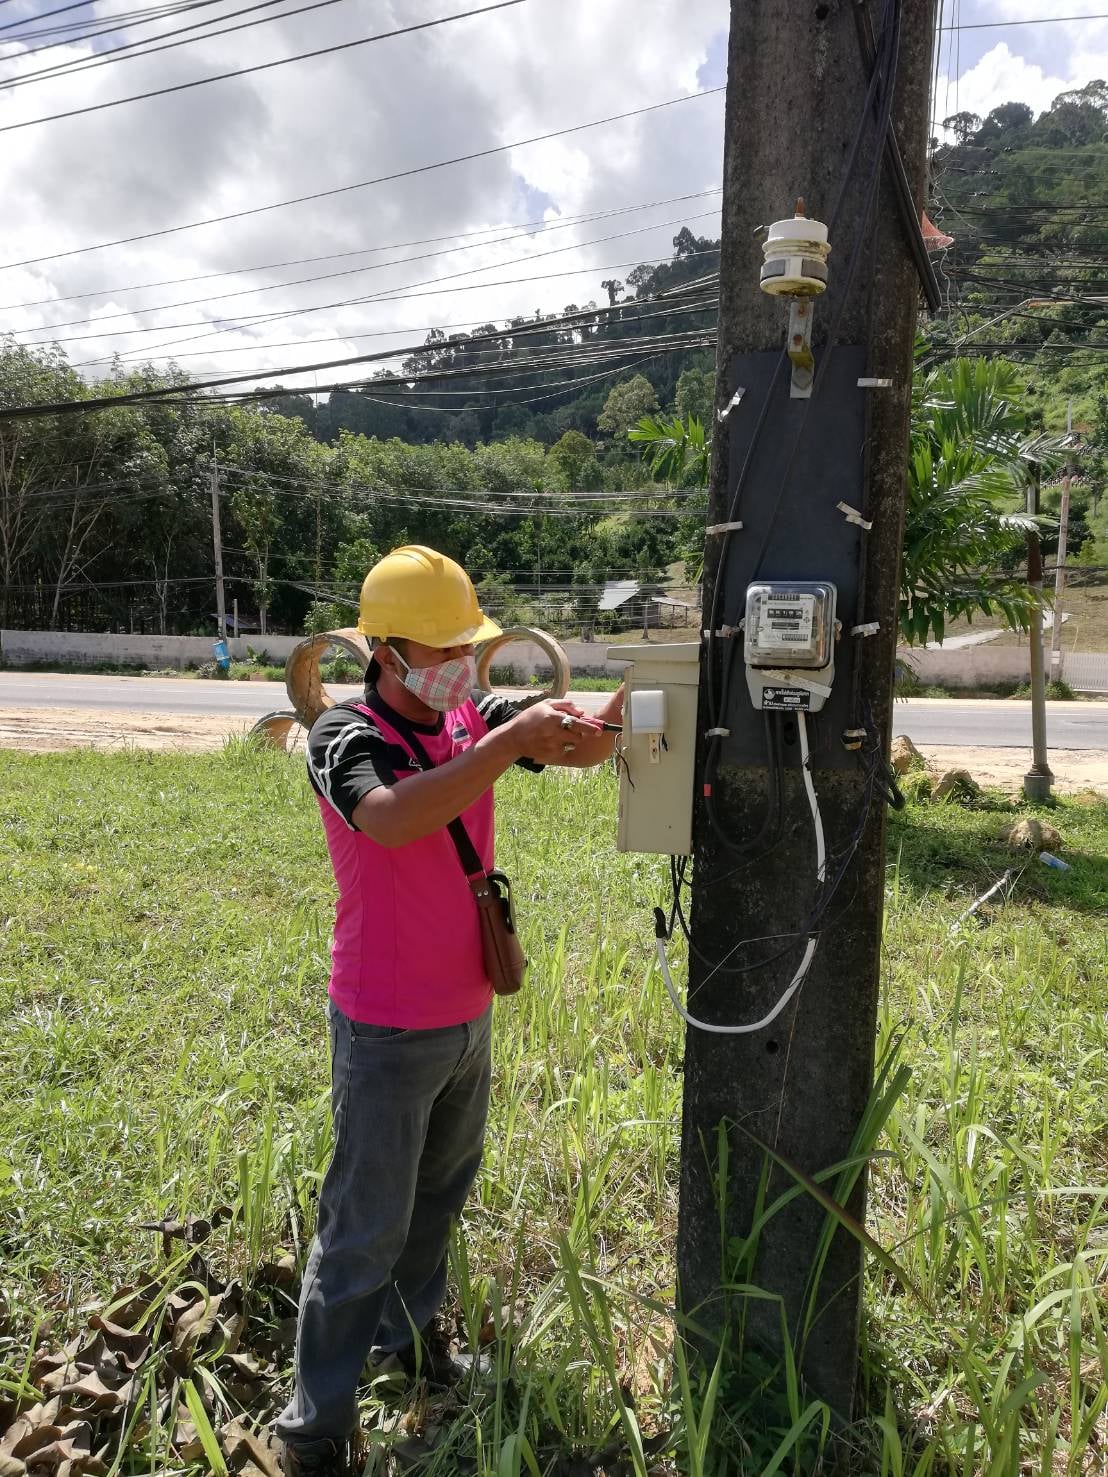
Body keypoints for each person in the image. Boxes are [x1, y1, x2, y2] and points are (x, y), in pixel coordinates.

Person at [276, 545, 623, 1476]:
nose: (457, 669)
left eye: (463, 649)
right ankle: (314, 1427)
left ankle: (406, 1341)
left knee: (436, 1200)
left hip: (468, 1011)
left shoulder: (471, 713)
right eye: (437, 653)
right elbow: (389, 816)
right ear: (382, 653)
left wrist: (617, 720)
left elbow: (569, 740)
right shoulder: (345, 737)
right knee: (362, 1226)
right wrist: (504, 745)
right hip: (387, 1023)